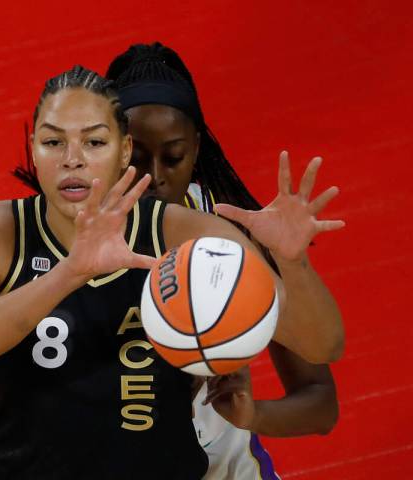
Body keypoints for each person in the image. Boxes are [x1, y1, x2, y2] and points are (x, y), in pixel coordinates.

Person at [0, 65, 342, 479]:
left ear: (125, 150)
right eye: (52, 141)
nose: (72, 159)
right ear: (33, 149)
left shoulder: (185, 234)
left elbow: (320, 347)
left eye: (94, 142)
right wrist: (71, 271)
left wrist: (294, 264)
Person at [104, 42, 343, 479]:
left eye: (173, 157)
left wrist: (253, 417)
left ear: (196, 149)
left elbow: (320, 402)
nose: (155, 176)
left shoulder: (230, 240)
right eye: (135, 158)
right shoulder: (68, 237)